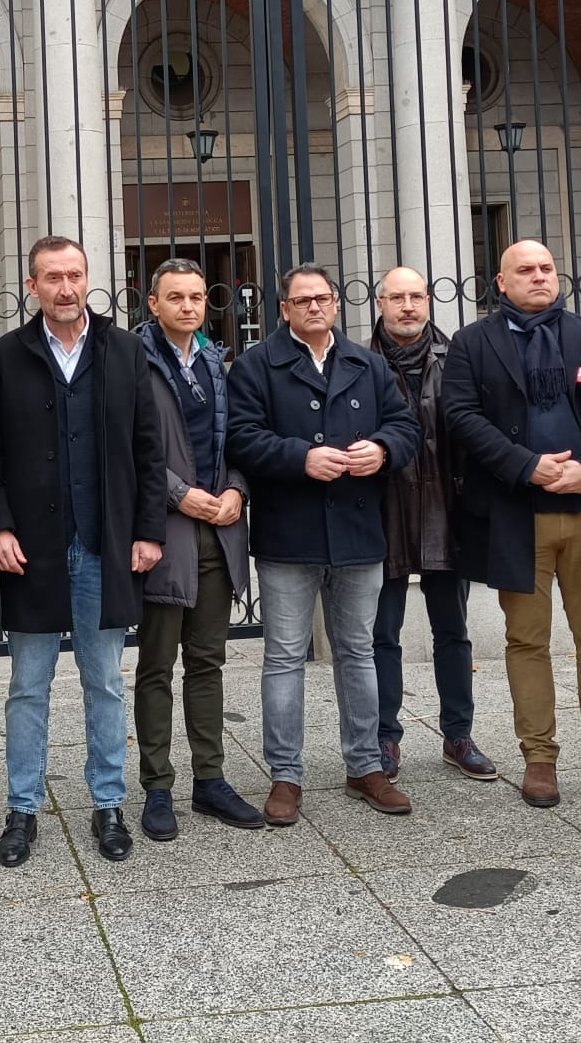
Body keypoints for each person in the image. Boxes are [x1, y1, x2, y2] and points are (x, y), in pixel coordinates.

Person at [441, 240, 581, 811]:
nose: (539, 277)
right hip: (516, 515)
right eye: (525, 271)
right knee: (526, 641)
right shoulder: (472, 343)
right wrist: (526, 466)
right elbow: (460, 415)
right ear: (501, 283)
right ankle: (539, 758)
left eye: (546, 268)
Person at [0, 236, 164, 867]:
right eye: (52, 278)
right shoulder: (7, 356)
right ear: (32, 286)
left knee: (104, 684)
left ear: (88, 279)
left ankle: (108, 802)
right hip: (31, 549)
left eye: (75, 275)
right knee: (28, 685)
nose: (65, 287)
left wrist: (148, 532)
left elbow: (149, 449)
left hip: (106, 542)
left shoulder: (123, 350)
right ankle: (22, 807)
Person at [226, 263, 419, 827]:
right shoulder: (257, 365)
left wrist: (382, 449)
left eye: (323, 298)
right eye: (302, 300)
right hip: (289, 533)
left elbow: (407, 428)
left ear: (336, 304)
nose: (314, 307)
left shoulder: (369, 364)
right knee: (284, 657)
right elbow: (240, 437)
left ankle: (365, 765)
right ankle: (285, 775)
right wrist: (298, 457)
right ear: (283, 309)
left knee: (358, 653)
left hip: (359, 532)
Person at [132, 258, 264, 839]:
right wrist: (180, 495)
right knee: (157, 665)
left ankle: (209, 780)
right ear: (152, 304)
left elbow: (235, 438)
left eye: (195, 297)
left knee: (207, 661)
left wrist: (236, 489)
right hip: (164, 531)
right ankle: (157, 787)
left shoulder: (216, 360)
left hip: (218, 530)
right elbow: (125, 449)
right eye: (175, 297)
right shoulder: (134, 361)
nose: (188, 306)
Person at [368, 266, 498, 785]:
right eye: (396, 297)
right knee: (382, 634)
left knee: (454, 631)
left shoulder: (457, 359)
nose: (407, 306)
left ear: (428, 300)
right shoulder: (360, 362)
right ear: (380, 302)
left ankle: (458, 735)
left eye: (415, 296)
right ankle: (384, 736)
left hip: (448, 511)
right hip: (384, 514)